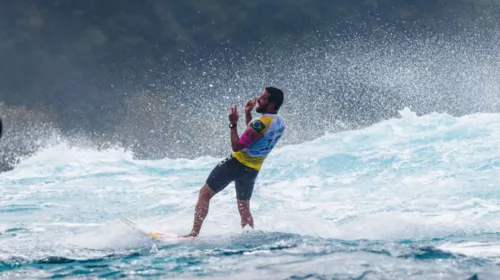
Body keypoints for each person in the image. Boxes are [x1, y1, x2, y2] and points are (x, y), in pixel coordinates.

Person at [180, 87, 286, 238]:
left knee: (204, 193)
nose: (258, 99)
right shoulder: (279, 123)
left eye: (262, 98)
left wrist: (233, 124)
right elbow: (254, 135)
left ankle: (193, 233)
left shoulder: (261, 123)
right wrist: (248, 113)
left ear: (271, 104)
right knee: (244, 208)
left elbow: (237, 145)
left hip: (236, 163)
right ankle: (248, 236)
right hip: (253, 170)